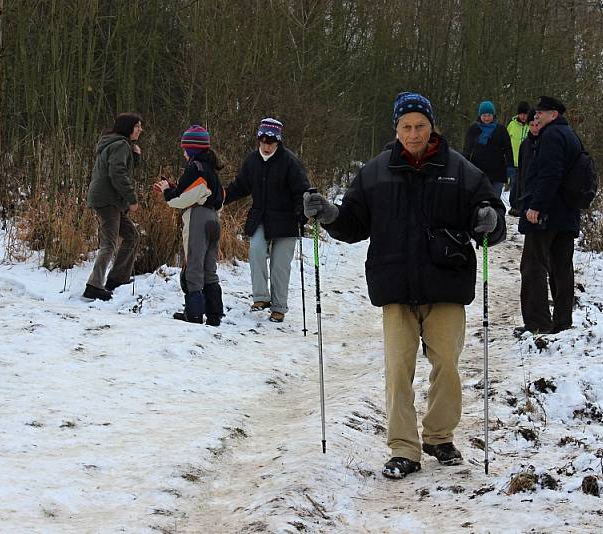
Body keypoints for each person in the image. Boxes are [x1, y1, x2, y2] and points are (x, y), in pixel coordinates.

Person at [303, 92, 506, 480]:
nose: (413, 134)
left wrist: (490, 220)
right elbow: (353, 223)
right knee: (398, 368)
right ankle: (404, 448)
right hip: (394, 284)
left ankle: (439, 436)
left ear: (432, 127)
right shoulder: (375, 172)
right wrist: (329, 215)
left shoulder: (460, 170)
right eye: (406, 127)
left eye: (420, 126)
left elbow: (492, 216)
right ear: (396, 129)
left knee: (446, 362)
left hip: (446, 282)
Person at [223, 117, 310, 323]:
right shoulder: (252, 160)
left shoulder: (290, 162)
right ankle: (261, 297)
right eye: (262, 140)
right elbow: (241, 186)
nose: (266, 145)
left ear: (278, 141)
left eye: (270, 141)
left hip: (288, 220)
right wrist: (222, 196)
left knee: (280, 265)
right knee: (256, 250)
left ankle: (278, 308)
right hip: (261, 217)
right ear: (258, 140)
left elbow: (302, 191)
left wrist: (303, 213)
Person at [515, 96, 581, 337]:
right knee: (562, 267)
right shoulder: (570, 135)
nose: (537, 117)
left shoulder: (551, 136)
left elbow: (549, 174)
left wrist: (536, 206)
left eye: (541, 113)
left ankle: (538, 323)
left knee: (533, 266)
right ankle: (563, 321)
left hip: (547, 214)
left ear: (553, 114)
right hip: (567, 214)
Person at [153, 125, 225, 326]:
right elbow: (209, 194)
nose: (184, 153)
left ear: (192, 149)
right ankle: (214, 315)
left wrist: (167, 190)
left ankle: (193, 314)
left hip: (198, 219)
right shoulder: (211, 168)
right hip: (214, 219)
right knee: (209, 268)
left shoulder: (195, 168)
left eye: (185, 148)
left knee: (193, 265)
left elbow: (180, 199)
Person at [84, 112, 143, 301]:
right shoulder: (120, 145)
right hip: (108, 200)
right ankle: (93, 286)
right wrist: (132, 199)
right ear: (128, 128)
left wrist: (136, 157)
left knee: (132, 236)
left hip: (108, 199)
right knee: (108, 244)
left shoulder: (117, 144)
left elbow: (123, 168)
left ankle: (117, 279)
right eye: (137, 126)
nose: (141, 130)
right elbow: (117, 174)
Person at [462, 100, 514, 198]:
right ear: (480, 116)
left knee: (495, 200)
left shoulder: (501, 130)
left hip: (497, 172)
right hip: (478, 171)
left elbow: (508, 149)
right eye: (484, 115)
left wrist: (510, 166)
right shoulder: (473, 129)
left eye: (489, 115)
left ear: (493, 115)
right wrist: (464, 165)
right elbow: (467, 149)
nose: (486, 118)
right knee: (478, 199)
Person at [509, 109, 540, 216]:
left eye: (537, 125)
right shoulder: (525, 144)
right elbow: (521, 172)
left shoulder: (546, 141)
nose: (535, 128)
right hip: (526, 190)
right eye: (532, 125)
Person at [506, 101, 530, 205]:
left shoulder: (530, 125)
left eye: (525, 114)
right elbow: (506, 141)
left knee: (523, 184)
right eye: (522, 114)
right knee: (514, 184)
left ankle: (522, 204)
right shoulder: (512, 125)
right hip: (513, 161)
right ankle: (513, 204)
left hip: (526, 161)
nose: (524, 117)